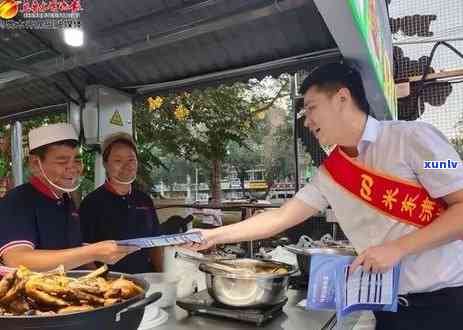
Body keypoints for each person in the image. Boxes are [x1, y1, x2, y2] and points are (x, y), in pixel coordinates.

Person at [187, 63, 463, 329]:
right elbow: (281, 216)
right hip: (388, 308)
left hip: (445, 302)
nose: (307, 121)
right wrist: (213, 236)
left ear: (342, 97)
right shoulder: (331, 174)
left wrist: (399, 248)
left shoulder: (415, 139)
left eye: (311, 108)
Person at [0, 123, 138, 271]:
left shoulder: (65, 200)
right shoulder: (18, 200)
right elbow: (17, 259)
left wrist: (100, 276)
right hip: (34, 293)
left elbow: (73, 249)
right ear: (35, 164)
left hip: (69, 290)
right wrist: (92, 252)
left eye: (77, 160)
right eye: (62, 161)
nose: (72, 168)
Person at [79, 132, 163, 274]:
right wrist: (99, 283)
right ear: (105, 164)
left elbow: (155, 244)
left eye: (131, 159)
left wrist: (162, 276)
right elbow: (83, 252)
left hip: (146, 279)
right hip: (110, 285)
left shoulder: (144, 200)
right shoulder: (92, 203)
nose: (127, 165)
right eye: (118, 160)